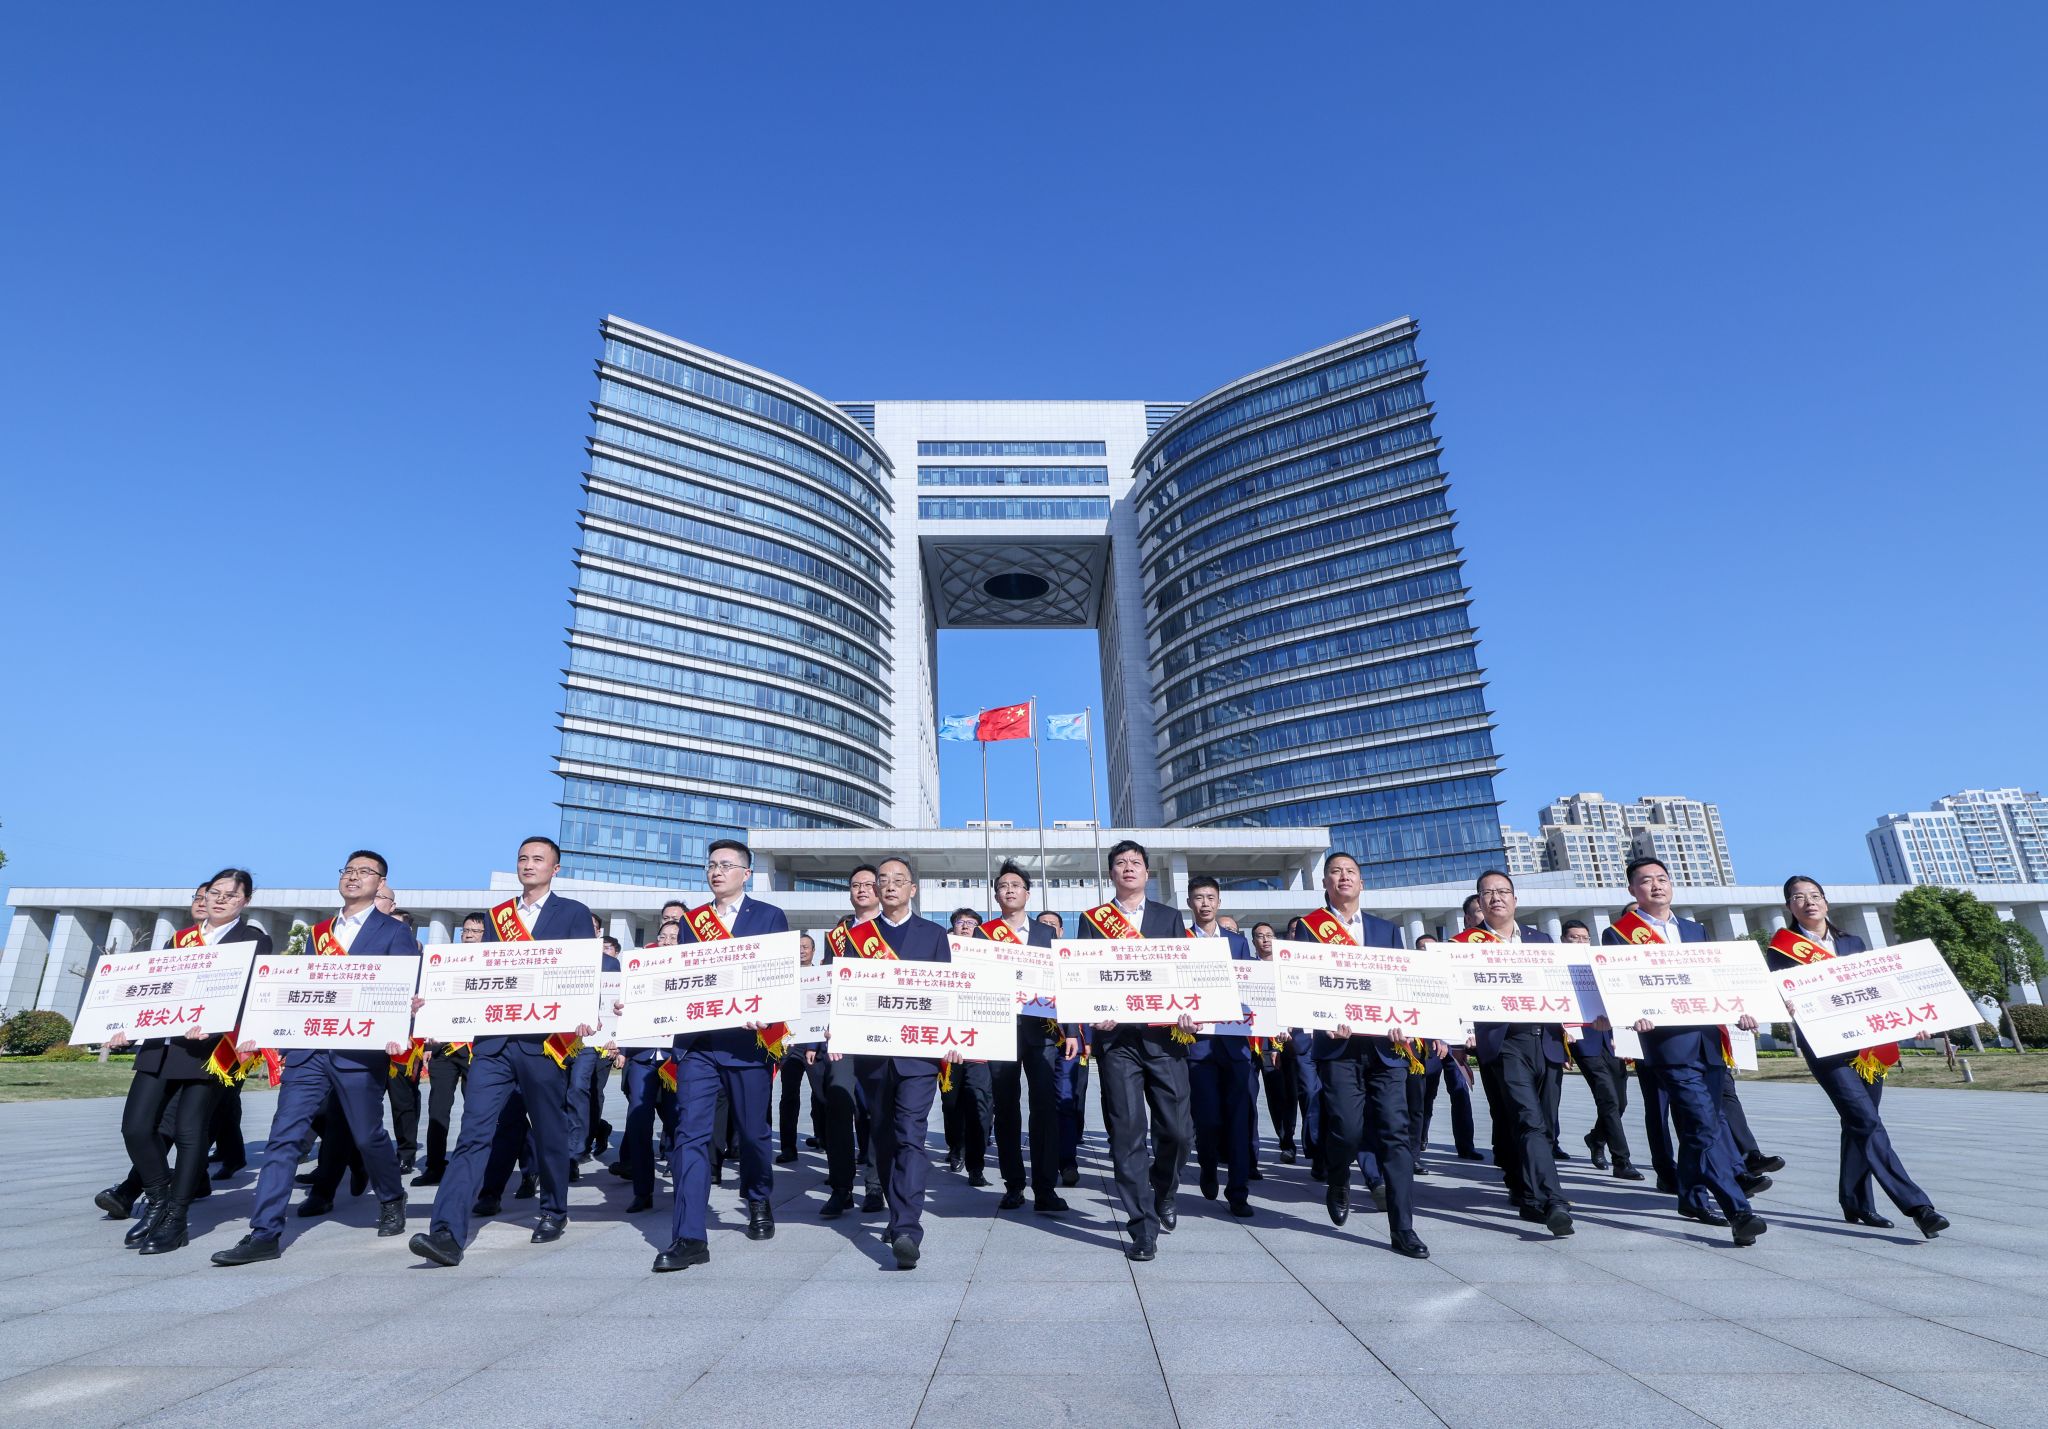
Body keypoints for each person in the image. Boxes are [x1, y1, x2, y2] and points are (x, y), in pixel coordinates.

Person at [212, 852, 419, 1265]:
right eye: (348, 871)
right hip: (309, 1051)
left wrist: (401, 1028)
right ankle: (264, 1232)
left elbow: (404, 989)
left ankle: (391, 1195)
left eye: (365, 872)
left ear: (381, 883)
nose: (354, 877)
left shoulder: (394, 933)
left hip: (359, 1051)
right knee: (284, 1138)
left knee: (367, 1135)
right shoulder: (319, 933)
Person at [408, 837, 596, 1267]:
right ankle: (446, 1233)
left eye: (538, 859)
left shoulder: (572, 913)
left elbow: (582, 971)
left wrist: (584, 1013)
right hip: (494, 1043)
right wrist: (433, 1003)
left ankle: (554, 1210)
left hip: (543, 1042)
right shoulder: (497, 917)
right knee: (473, 1133)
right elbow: (480, 975)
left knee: (548, 1130)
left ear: (555, 869)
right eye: (522, 858)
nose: (529, 865)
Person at [98, 870, 269, 1254]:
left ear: (245, 900)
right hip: (162, 1044)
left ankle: (176, 1219)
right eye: (215, 892)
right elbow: (154, 992)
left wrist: (217, 1022)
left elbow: (252, 993)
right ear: (203, 896)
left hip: (209, 1050)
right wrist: (124, 1027)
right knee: (135, 1127)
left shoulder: (253, 940)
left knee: (191, 1132)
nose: (221, 899)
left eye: (231, 894)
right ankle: (159, 1199)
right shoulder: (178, 940)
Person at [1767, 877, 1948, 1238]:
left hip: (1868, 1046)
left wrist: (1913, 1020)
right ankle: (1918, 1206)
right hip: (1827, 1048)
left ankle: (1855, 1202)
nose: (1808, 902)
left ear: (1826, 902)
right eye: (1799, 898)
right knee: (1865, 1120)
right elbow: (1775, 994)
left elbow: (1878, 991)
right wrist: (1782, 1002)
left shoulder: (1853, 942)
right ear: (1790, 907)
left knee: (1858, 1122)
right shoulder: (1782, 950)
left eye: (1815, 895)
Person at [1604, 857, 1768, 1246]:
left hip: (1708, 1042)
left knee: (1701, 1126)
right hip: (1667, 1046)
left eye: (1662, 878)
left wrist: (1743, 1009)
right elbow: (1618, 986)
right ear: (1632, 890)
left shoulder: (1695, 930)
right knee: (1705, 1125)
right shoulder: (1619, 935)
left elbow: (1719, 981)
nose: (1656, 885)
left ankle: (1691, 1199)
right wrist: (1632, 1013)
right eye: (1646, 881)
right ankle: (1739, 1210)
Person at [651, 839, 790, 1273]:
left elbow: (778, 975)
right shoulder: (693, 921)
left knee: (752, 1133)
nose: (716, 871)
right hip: (700, 1046)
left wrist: (766, 1010)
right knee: (690, 1136)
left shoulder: (768, 916)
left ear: (746, 874)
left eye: (726, 865)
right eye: (711, 865)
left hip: (748, 1046)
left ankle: (758, 1199)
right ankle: (690, 1235)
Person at [1288, 852, 1429, 1259]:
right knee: (1346, 1130)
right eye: (1335, 872)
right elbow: (1303, 986)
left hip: (1386, 1048)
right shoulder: (1311, 929)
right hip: (1340, 1048)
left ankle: (1403, 1227)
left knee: (1395, 1134)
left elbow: (1401, 984)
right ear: (1325, 884)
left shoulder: (1387, 930)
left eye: (1350, 872)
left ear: (1362, 883)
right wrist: (1322, 1019)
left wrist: (1405, 1021)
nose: (1344, 877)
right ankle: (1338, 1178)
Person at [1079, 840, 1193, 1263]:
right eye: (1121, 863)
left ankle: (1164, 1189)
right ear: (1111, 873)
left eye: (1136, 862)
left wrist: (1191, 1010)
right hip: (1118, 1044)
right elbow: (1085, 977)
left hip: (1164, 1040)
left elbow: (1184, 973)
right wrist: (1095, 1012)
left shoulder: (1168, 916)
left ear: (1147, 872)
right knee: (1127, 1133)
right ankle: (1142, 1226)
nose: (1128, 868)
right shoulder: (1092, 920)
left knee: (1178, 1132)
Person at [850, 856, 955, 1269]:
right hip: (873, 1057)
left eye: (899, 880)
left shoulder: (934, 935)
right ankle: (897, 1215)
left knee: (911, 1135)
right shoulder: (858, 937)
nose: (890, 886)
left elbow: (948, 992)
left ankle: (908, 1228)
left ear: (913, 889)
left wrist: (952, 1038)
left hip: (918, 1057)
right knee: (883, 1137)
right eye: (883, 880)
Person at [1455, 872, 1573, 1236]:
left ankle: (1528, 1194)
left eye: (1503, 891)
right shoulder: (1464, 945)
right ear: (1479, 902)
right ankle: (1553, 1200)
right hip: (1505, 1043)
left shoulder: (1542, 941)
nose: (1496, 898)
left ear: (1515, 899)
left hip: (1546, 1040)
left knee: (1544, 1124)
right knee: (1528, 1119)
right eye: (1488, 893)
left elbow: (1565, 985)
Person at [977, 861, 1071, 1215]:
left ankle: (1045, 1188)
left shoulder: (1047, 934)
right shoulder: (984, 935)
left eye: (1016, 885)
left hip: (1042, 1033)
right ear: (996, 895)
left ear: (1027, 894)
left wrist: (1071, 1030)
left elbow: (1064, 983)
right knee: (1006, 1108)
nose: (1009, 890)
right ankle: (1014, 1184)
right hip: (1000, 1031)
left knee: (1045, 1107)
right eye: (1003, 886)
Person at [1184, 875, 1257, 1218]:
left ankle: (1238, 1192)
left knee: (1240, 1120)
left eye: (1210, 897)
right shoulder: (1180, 941)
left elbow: (1252, 989)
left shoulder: (1237, 943)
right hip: (1199, 1046)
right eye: (1199, 897)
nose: (1205, 903)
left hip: (1235, 1046)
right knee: (1208, 1118)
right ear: (1189, 903)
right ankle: (1208, 1165)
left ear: (1219, 902)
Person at [815, 867, 885, 1218]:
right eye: (855, 885)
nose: (861, 890)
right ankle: (840, 1188)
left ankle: (875, 1186)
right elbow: (826, 985)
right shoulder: (837, 937)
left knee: (877, 1112)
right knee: (839, 1106)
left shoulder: (890, 932)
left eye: (868, 885)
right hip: (842, 1035)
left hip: (883, 1034)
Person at [1559, 919, 1642, 1179]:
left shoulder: (1599, 963)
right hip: (1582, 1040)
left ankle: (1596, 1138)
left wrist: (1625, 1035)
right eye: (1574, 938)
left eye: (1584, 938)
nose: (1580, 942)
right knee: (1607, 1098)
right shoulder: (1557, 968)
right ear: (1563, 940)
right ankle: (1621, 1160)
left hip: (1611, 1038)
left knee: (1621, 1102)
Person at [413, 912, 488, 1186]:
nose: (468, 935)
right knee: (438, 1109)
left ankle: (483, 1165)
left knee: (479, 1110)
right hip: (443, 1048)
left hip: (477, 1049)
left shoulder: (492, 963)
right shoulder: (445, 960)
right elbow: (429, 1000)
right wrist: (425, 1041)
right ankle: (435, 1165)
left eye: (475, 931)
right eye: (465, 930)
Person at [613, 918, 680, 1213]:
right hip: (642, 1057)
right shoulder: (640, 971)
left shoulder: (692, 973)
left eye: (674, 937)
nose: (666, 942)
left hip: (676, 1059)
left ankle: (684, 1186)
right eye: (663, 937)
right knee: (638, 1123)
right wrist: (623, 1048)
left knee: (679, 1124)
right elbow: (626, 1010)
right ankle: (642, 1191)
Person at [564, 934, 623, 1181]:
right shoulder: (559, 956)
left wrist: (615, 1039)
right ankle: (596, 1129)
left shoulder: (609, 964)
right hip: (558, 1039)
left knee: (579, 1088)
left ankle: (574, 1152)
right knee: (558, 1095)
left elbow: (614, 1003)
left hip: (590, 1040)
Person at [776, 932, 819, 1166]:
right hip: (789, 1045)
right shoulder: (785, 977)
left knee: (822, 1095)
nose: (802, 950)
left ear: (813, 951)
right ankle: (788, 1147)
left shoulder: (821, 975)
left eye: (805, 947)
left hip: (814, 1045)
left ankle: (823, 1137)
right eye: (798, 947)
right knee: (789, 1096)